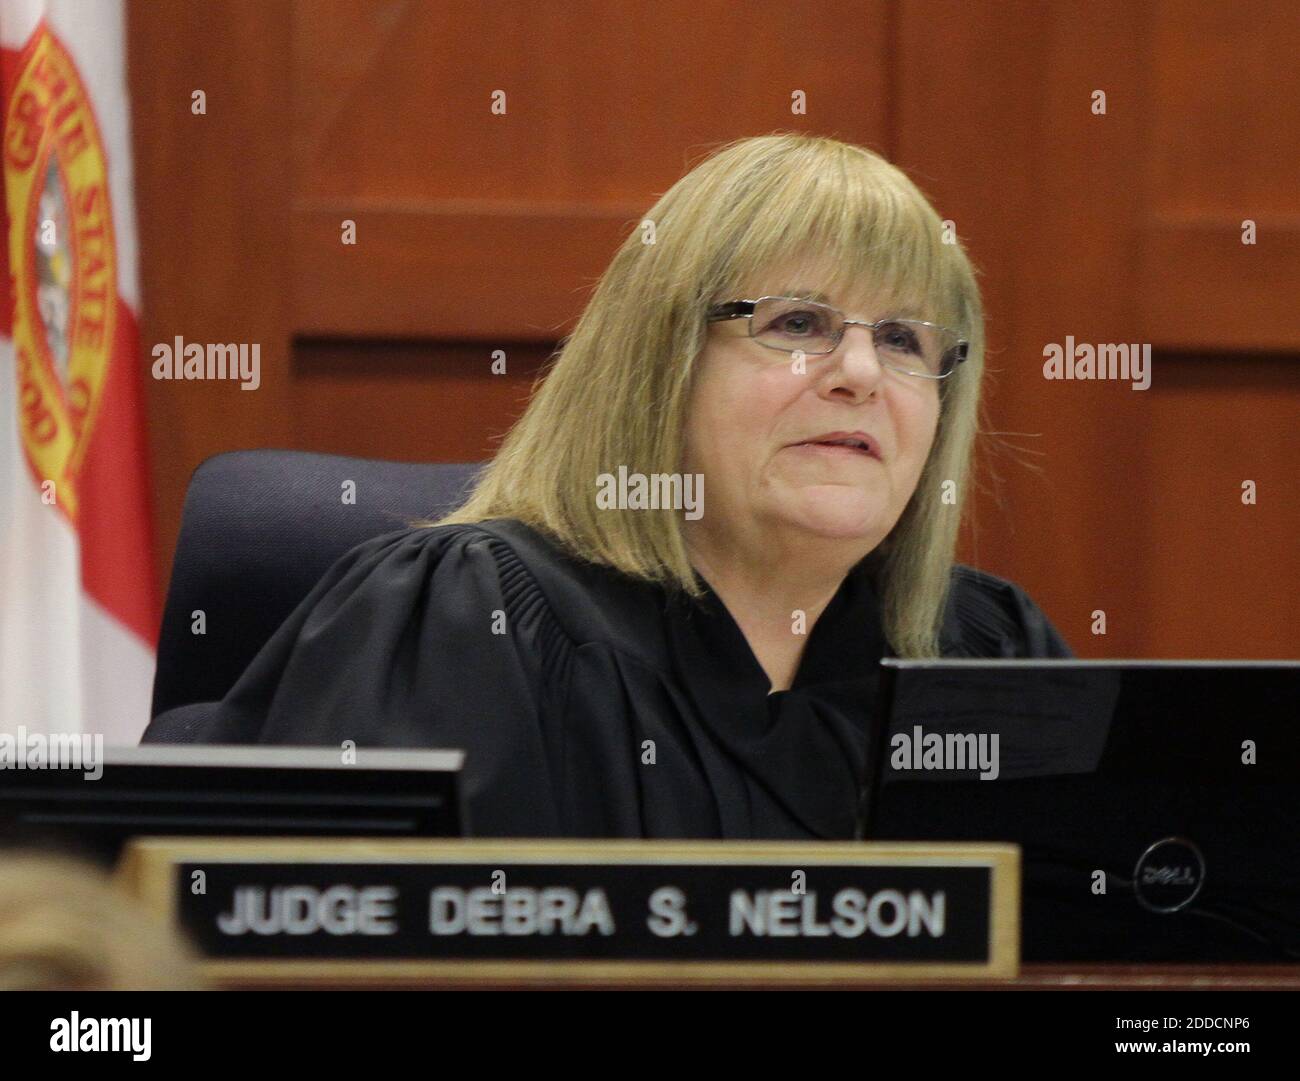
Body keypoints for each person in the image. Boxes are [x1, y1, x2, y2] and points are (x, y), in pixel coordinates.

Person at [144, 133, 1072, 839]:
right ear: (659, 361)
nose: (861, 372)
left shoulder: (989, 658)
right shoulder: (471, 623)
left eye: (906, 340)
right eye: (798, 321)